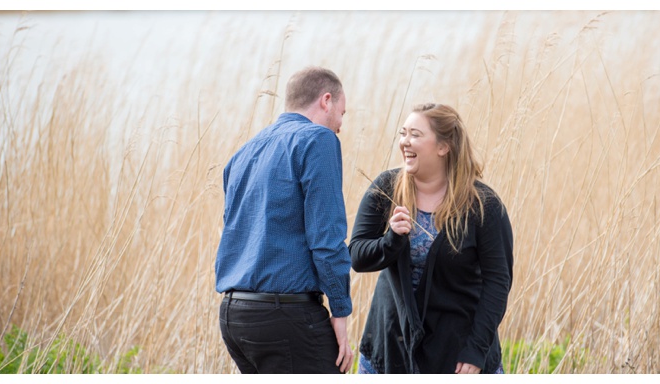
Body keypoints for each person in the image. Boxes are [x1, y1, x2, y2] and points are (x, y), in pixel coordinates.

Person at [350, 103, 513, 374]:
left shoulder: (484, 204)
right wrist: (391, 240)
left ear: (443, 147)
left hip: (458, 351)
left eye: (415, 134)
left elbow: (498, 282)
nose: (405, 142)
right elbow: (357, 256)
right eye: (403, 133)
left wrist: (476, 350)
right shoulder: (386, 189)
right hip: (392, 346)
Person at [215, 66, 353, 374]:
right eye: (343, 113)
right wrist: (341, 312)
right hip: (286, 317)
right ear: (326, 101)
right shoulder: (318, 140)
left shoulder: (243, 153)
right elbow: (326, 237)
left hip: (234, 316)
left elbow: (235, 231)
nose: (341, 125)